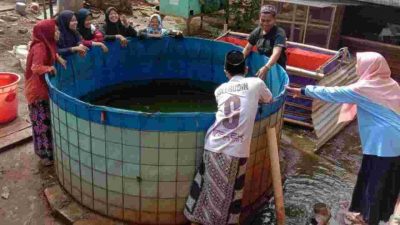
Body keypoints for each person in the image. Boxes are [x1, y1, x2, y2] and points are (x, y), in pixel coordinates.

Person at [287, 52, 400, 225]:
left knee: (375, 182)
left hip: (383, 143)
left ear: (369, 67)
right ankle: (368, 215)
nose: (356, 67)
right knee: (377, 178)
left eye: (359, 64)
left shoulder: (364, 88)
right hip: (391, 141)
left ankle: (369, 220)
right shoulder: (391, 84)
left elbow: (333, 93)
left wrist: (303, 90)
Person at [184, 50, 272, 225]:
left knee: (208, 191)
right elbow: (268, 99)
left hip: (212, 145)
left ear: (225, 71)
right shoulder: (256, 83)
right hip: (235, 150)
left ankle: (199, 219)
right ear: (246, 69)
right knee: (230, 197)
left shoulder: (220, 90)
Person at [24, 19, 59, 166]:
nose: (58, 32)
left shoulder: (46, 44)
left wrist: (58, 58)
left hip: (40, 88)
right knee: (42, 124)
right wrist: (49, 68)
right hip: (37, 92)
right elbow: (36, 67)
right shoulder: (40, 47)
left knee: (43, 122)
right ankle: (46, 156)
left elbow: (52, 54)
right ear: (47, 32)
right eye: (55, 30)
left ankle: (46, 153)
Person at [243, 4, 287, 80]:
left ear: (274, 19)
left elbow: (276, 53)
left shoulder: (279, 33)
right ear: (259, 19)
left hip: (275, 70)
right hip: (261, 67)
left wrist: (266, 67)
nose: (265, 23)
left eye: (268, 21)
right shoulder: (257, 31)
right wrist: (240, 62)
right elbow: (247, 48)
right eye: (262, 20)